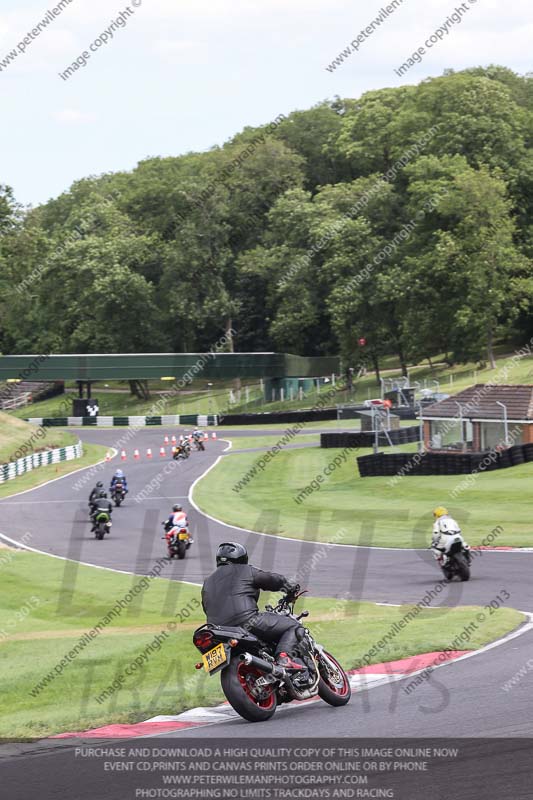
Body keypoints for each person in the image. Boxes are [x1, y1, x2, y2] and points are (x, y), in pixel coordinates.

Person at [201, 542, 304, 670]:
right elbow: (270, 579)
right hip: (247, 621)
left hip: (217, 629)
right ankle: (283, 657)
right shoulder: (245, 570)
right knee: (294, 626)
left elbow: (206, 607)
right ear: (242, 558)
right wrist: (290, 586)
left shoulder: (207, 582)